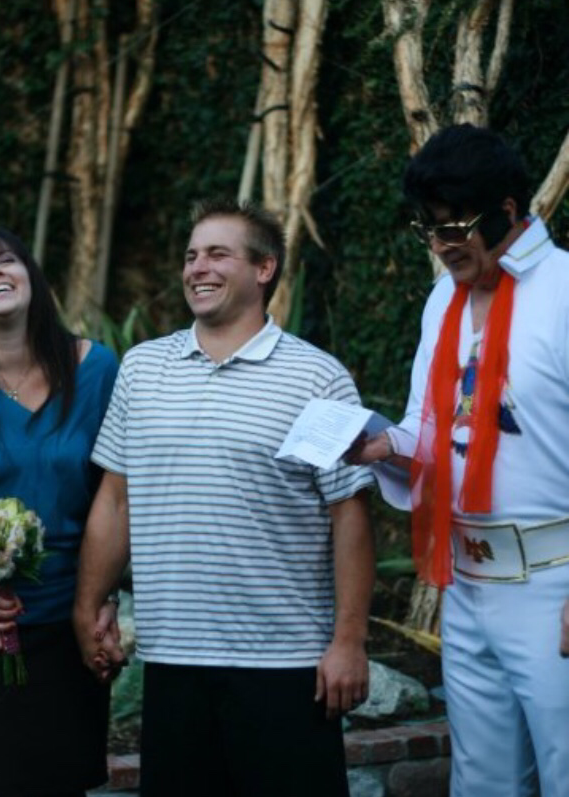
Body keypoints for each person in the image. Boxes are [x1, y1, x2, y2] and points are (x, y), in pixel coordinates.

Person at [74, 199, 375, 797]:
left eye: (217, 254)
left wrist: (349, 641)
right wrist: (90, 604)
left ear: (264, 269)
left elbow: (350, 516)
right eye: (191, 256)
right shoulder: (142, 369)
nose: (197, 268)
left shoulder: (318, 378)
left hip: (286, 664)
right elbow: (115, 500)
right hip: (172, 659)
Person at [346, 124, 569, 797]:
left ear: (508, 210)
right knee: (482, 782)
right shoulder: (443, 297)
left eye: (455, 227)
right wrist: (383, 446)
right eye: (429, 229)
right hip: (466, 582)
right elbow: (432, 427)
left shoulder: (563, 290)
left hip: (554, 582)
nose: (441, 246)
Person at [0, 228, 119, 797]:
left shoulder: (96, 369)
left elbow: (115, 496)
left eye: (7, 260)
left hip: (74, 612)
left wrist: (104, 599)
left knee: (68, 776)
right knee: (7, 779)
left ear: (31, 277)